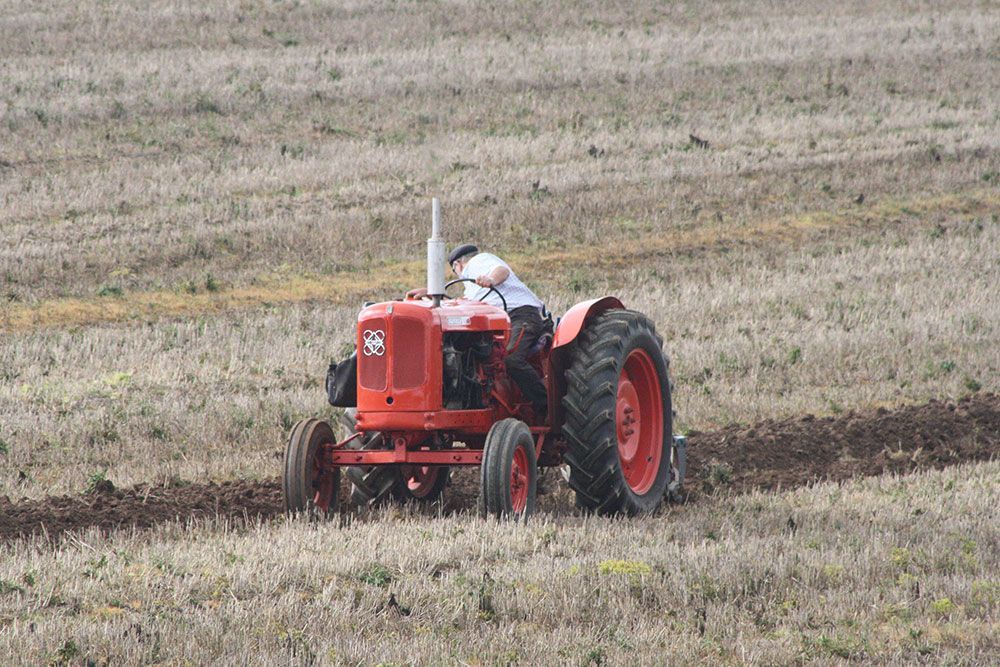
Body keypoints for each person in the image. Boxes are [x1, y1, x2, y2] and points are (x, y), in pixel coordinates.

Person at [407, 244, 549, 415]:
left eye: (454, 270)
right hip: (498, 322)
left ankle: (547, 407)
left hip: (520, 315)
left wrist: (491, 280)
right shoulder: (472, 289)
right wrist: (434, 294)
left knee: (512, 359)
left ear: (458, 264)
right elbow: (463, 304)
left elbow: (501, 270)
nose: (456, 274)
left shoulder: (478, 262)